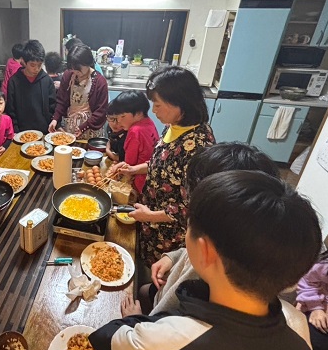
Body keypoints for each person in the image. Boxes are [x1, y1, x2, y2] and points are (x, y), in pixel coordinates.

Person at [89, 170, 322, 350]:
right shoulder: (300, 331)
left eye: (189, 225)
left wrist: (131, 321)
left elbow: (109, 341)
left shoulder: (158, 344)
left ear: (205, 251)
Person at [146, 143, 281, 316]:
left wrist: (139, 322)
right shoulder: (219, 236)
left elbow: (166, 316)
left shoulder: (214, 273)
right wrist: (173, 258)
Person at [129, 66, 215, 266]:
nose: (153, 110)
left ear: (180, 104)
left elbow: (192, 207)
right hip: (151, 219)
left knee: (159, 274)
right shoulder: (174, 125)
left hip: (169, 234)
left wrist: (151, 216)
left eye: (158, 104)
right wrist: (135, 169)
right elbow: (164, 164)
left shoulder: (199, 147)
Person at [48, 44, 109, 139]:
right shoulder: (68, 76)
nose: (75, 72)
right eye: (72, 69)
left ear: (88, 63)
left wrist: (84, 127)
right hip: (71, 125)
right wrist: (55, 119)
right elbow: (61, 101)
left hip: (91, 128)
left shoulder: (100, 82)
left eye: (78, 69)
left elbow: (101, 111)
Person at [105, 90, 158, 193]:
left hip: (139, 182)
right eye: (117, 117)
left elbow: (128, 164)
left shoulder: (134, 131)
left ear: (138, 113)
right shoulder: (149, 122)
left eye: (123, 116)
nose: (119, 121)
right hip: (151, 176)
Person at [297, 236, 328, 350]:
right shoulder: (327, 266)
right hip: (321, 306)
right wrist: (316, 308)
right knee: (315, 341)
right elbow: (307, 282)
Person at [6, 39, 56, 134]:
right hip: (21, 133)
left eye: (39, 65)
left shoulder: (47, 80)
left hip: (44, 132)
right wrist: (15, 130)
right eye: (32, 65)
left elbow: (53, 107)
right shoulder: (14, 81)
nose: (36, 69)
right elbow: (11, 110)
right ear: (24, 62)